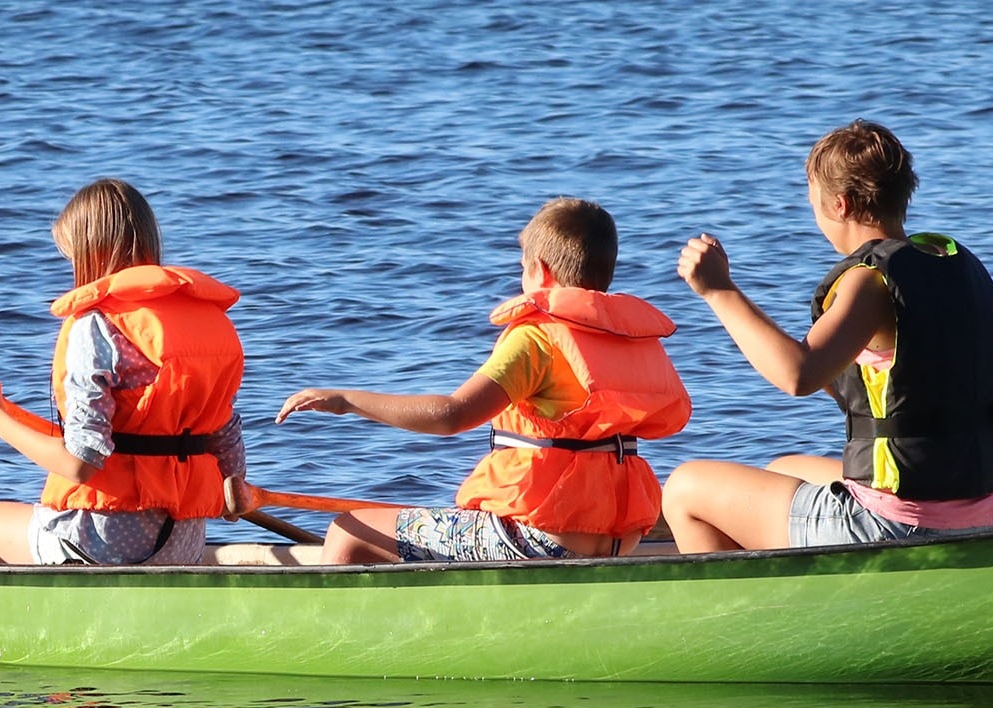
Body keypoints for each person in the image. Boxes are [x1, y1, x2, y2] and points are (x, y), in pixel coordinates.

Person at [660, 119, 993, 552]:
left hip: (890, 526)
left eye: (813, 203)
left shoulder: (870, 281)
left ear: (840, 205)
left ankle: (747, 598)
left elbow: (797, 375)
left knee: (685, 488)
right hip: (979, 511)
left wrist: (719, 290)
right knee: (782, 468)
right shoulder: (954, 272)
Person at [278, 197, 690, 564]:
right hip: (618, 541)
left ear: (539, 270)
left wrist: (345, 400)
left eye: (523, 267)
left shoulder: (537, 340)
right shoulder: (626, 340)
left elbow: (451, 416)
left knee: (349, 530)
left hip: (540, 539)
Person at [0, 178, 254, 565]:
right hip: (183, 543)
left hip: (101, 539)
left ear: (91, 253)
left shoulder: (97, 326)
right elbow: (230, 465)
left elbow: (80, 463)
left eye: (72, 257)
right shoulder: (205, 323)